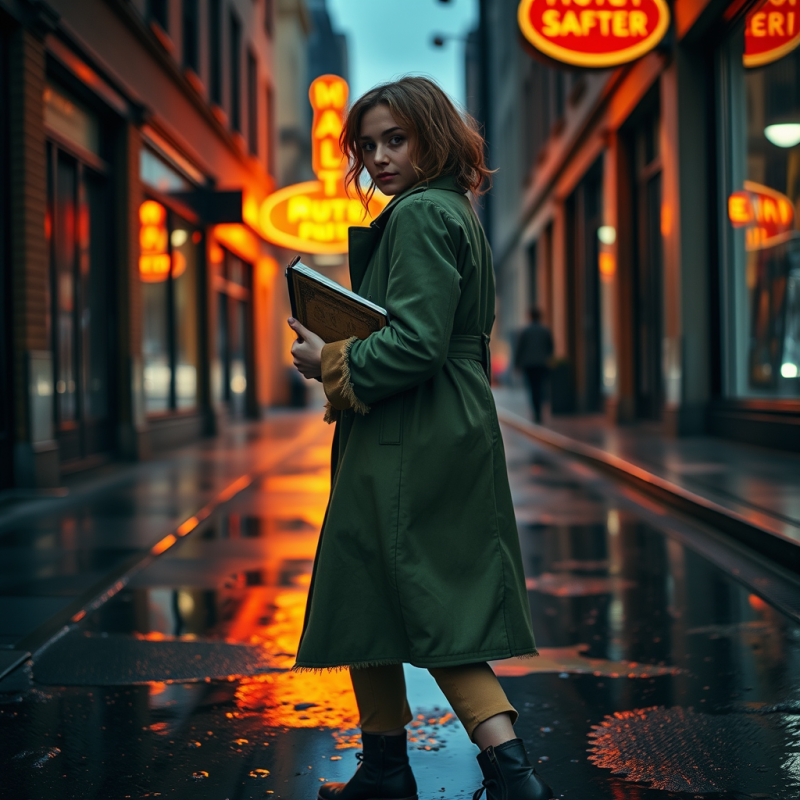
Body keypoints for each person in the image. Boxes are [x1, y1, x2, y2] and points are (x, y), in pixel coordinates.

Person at [288, 77, 552, 800]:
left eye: (395, 140)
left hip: (413, 426)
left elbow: (416, 344)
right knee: (373, 590)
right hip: (433, 419)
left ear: (432, 136)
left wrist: (329, 358)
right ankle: (394, 769)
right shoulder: (449, 208)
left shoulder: (420, 214)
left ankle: (506, 773)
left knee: (414, 596)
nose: (378, 158)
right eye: (368, 145)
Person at [514, 308, 554, 424]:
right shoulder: (545, 331)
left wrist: (517, 364)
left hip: (529, 364)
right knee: (540, 387)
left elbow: (520, 349)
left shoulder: (525, 331)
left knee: (532, 388)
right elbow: (550, 347)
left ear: (530, 317)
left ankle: (536, 413)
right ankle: (540, 411)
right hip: (542, 363)